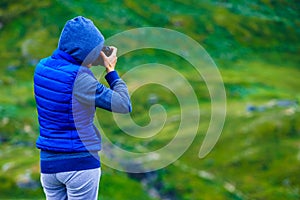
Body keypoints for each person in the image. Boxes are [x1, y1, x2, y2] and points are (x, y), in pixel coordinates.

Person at [33, 16, 132, 200]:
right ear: (86, 51)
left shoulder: (41, 68)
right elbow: (123, 104)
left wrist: (89, 60)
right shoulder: (80, 79)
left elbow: (66, 74)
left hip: (49, 166)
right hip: (79, 163)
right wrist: (111, 71)